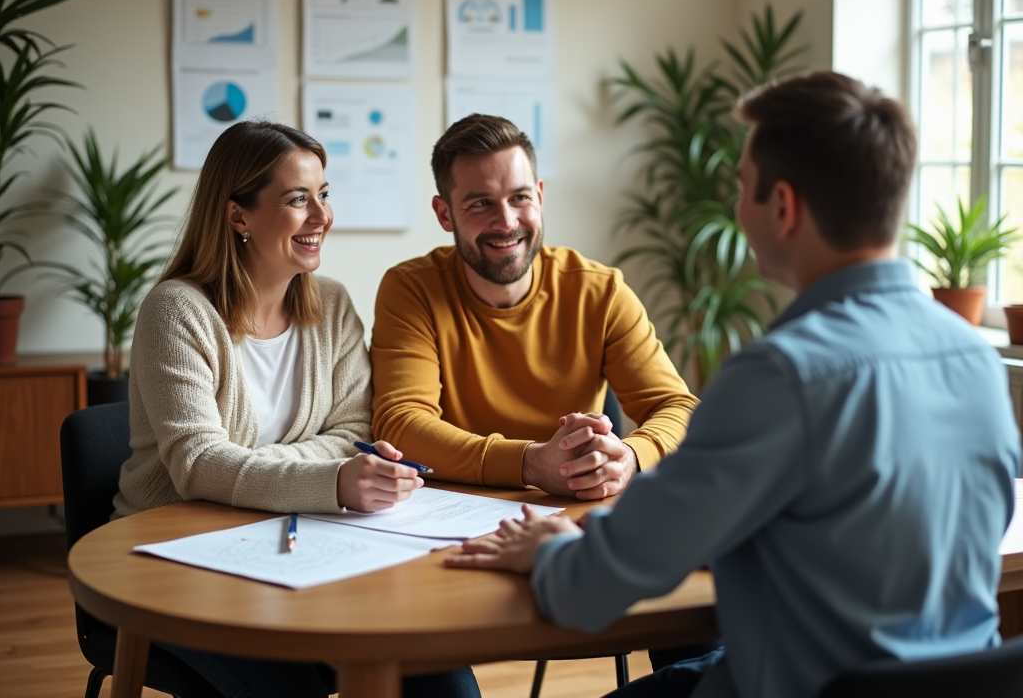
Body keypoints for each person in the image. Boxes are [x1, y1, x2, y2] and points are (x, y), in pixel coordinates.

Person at [444, 71, 1022, 698]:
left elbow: (591, 591)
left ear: (784, 207)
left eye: (744, 188)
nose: (737, 210)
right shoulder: (975, 358)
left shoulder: (781, 376)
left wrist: (555, 546)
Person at [113, 121, 480, 698]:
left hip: (293, 545)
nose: (321, 217)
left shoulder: (331, 304)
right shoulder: (177, 311)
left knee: (443, 675)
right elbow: (198, 466)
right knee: (290, 688)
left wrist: (303, 475)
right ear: (238, 216)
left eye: (324, 195)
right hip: (173, 564)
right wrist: (331, 479)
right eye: (296, 199)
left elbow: (355, 428)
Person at [371, 114, 699, 501]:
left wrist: (630, 455)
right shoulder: (412, 289)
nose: (506, 222)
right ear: (445, 214)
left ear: (540, 196)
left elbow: (676, 406)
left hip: (570, 511)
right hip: (451, 512)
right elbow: (401, 425)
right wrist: (530, 462)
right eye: (480, 203)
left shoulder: (600, 291)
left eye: (520, 198)